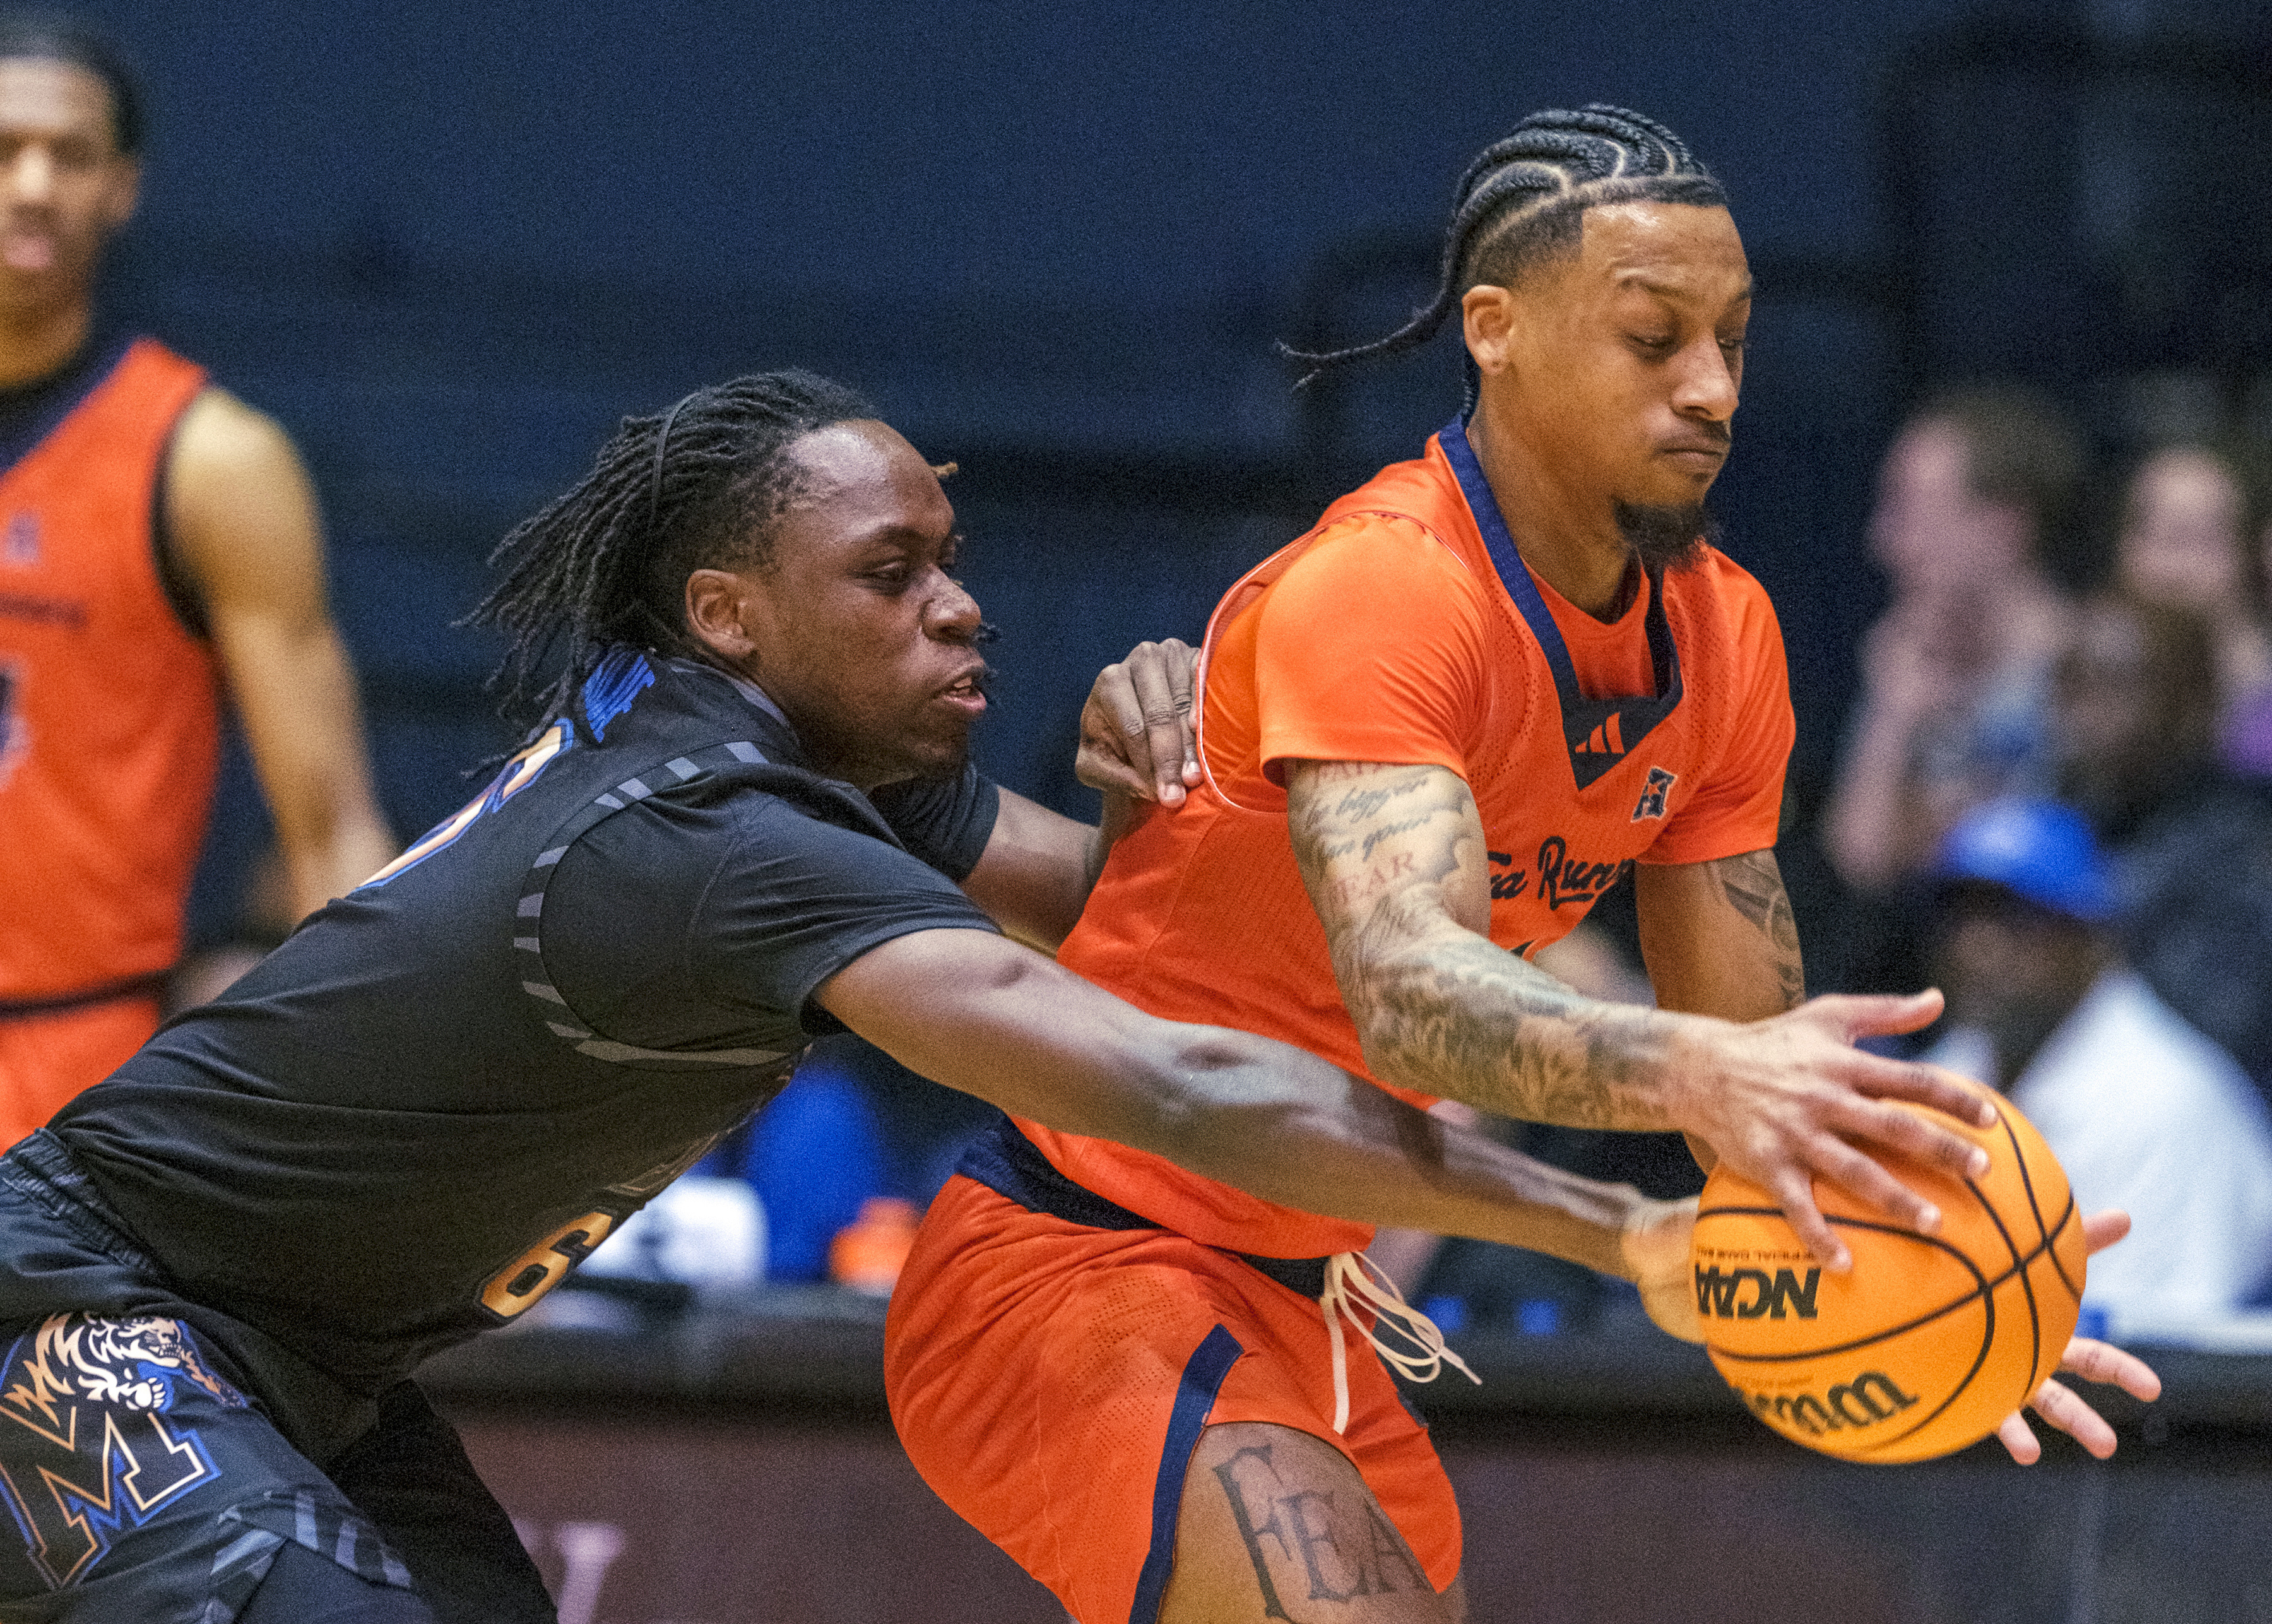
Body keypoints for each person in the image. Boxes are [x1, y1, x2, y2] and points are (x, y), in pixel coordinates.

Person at [0, 369, 2021, 1624]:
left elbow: (1168, 916)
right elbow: (1169, 1068)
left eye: (953, 557)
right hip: (81, 1311)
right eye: (893, 571)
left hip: (301, 1355)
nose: (959, 598)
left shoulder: (791, 759)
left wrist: (1206, 716)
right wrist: (1623, 1221)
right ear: (732, 614)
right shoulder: (720, 837)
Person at [884, 107, 2149, 1624]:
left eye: (1734, 341)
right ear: (1495, 330)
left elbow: (1748, 1083)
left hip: (1318, 1289)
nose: (1711, 387)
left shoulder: (1724, 634)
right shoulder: (1385, 591)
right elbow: (1416, 991)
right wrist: (1692, 1073)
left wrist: (1937, 1278)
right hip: (1079, 1257)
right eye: (1651, 337)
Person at [0, 18, 393, 1142]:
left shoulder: (211, 461)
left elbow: (330, 831)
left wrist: (367, 1102)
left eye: (69, 155)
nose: (32, 186)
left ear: (121, 188)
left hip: (78, 1069)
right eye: (3, 148)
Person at [1920, 798, 2272, 1337]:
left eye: (2014, 918)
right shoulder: (1952, 1066)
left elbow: (2164, 1371)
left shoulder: (2164, 1100)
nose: (1977, 945)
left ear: (2094, 940)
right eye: (1961, 916)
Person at [1823, 383, 2082, 893]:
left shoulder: (2082, 670)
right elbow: (1859, 862)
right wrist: (1893, 717)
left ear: (2004, 526)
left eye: (1910, 511)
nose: (1884, 543)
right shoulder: (1909, 661)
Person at [2052, 590, 2272, 1094]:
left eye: (2116, 683)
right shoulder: (2053, 816)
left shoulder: (2246, 845)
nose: (2084, 712)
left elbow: (2213, 1043)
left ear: (2196, 704)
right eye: (2072, 682)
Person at [2109, 438, 2272, 776]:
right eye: (2160, 535)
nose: (2180, 564)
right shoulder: (2081, 676)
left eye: (2204, 538)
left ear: (2246, 554)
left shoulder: (2263, 694)